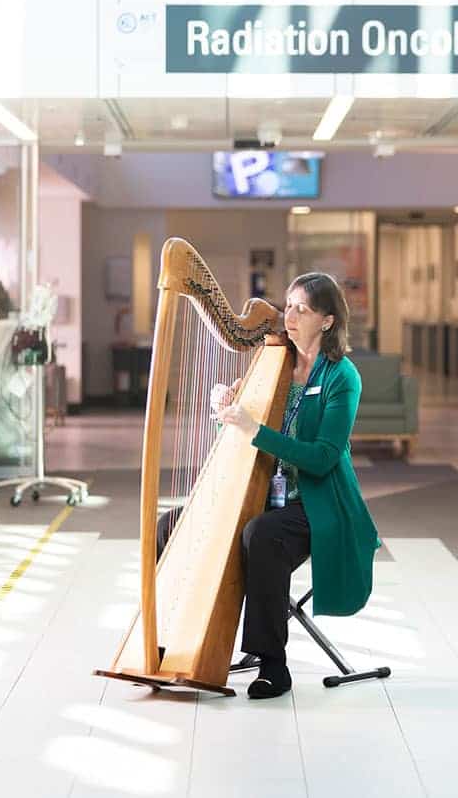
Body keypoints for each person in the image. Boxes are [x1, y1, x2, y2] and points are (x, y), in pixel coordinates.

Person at [156, 272, 380, 700]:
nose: (289, 315)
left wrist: (253, 428)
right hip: (264, 493)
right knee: (172, 524)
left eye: (303, 309)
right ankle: (170, 639)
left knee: (261, 535)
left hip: (317, 504)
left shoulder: (342, 377)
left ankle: (273, 666)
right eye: (289, 305)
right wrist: (226, 407)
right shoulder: (274, 362)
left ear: (327, 322)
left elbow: (323, 457)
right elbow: (246, 421)